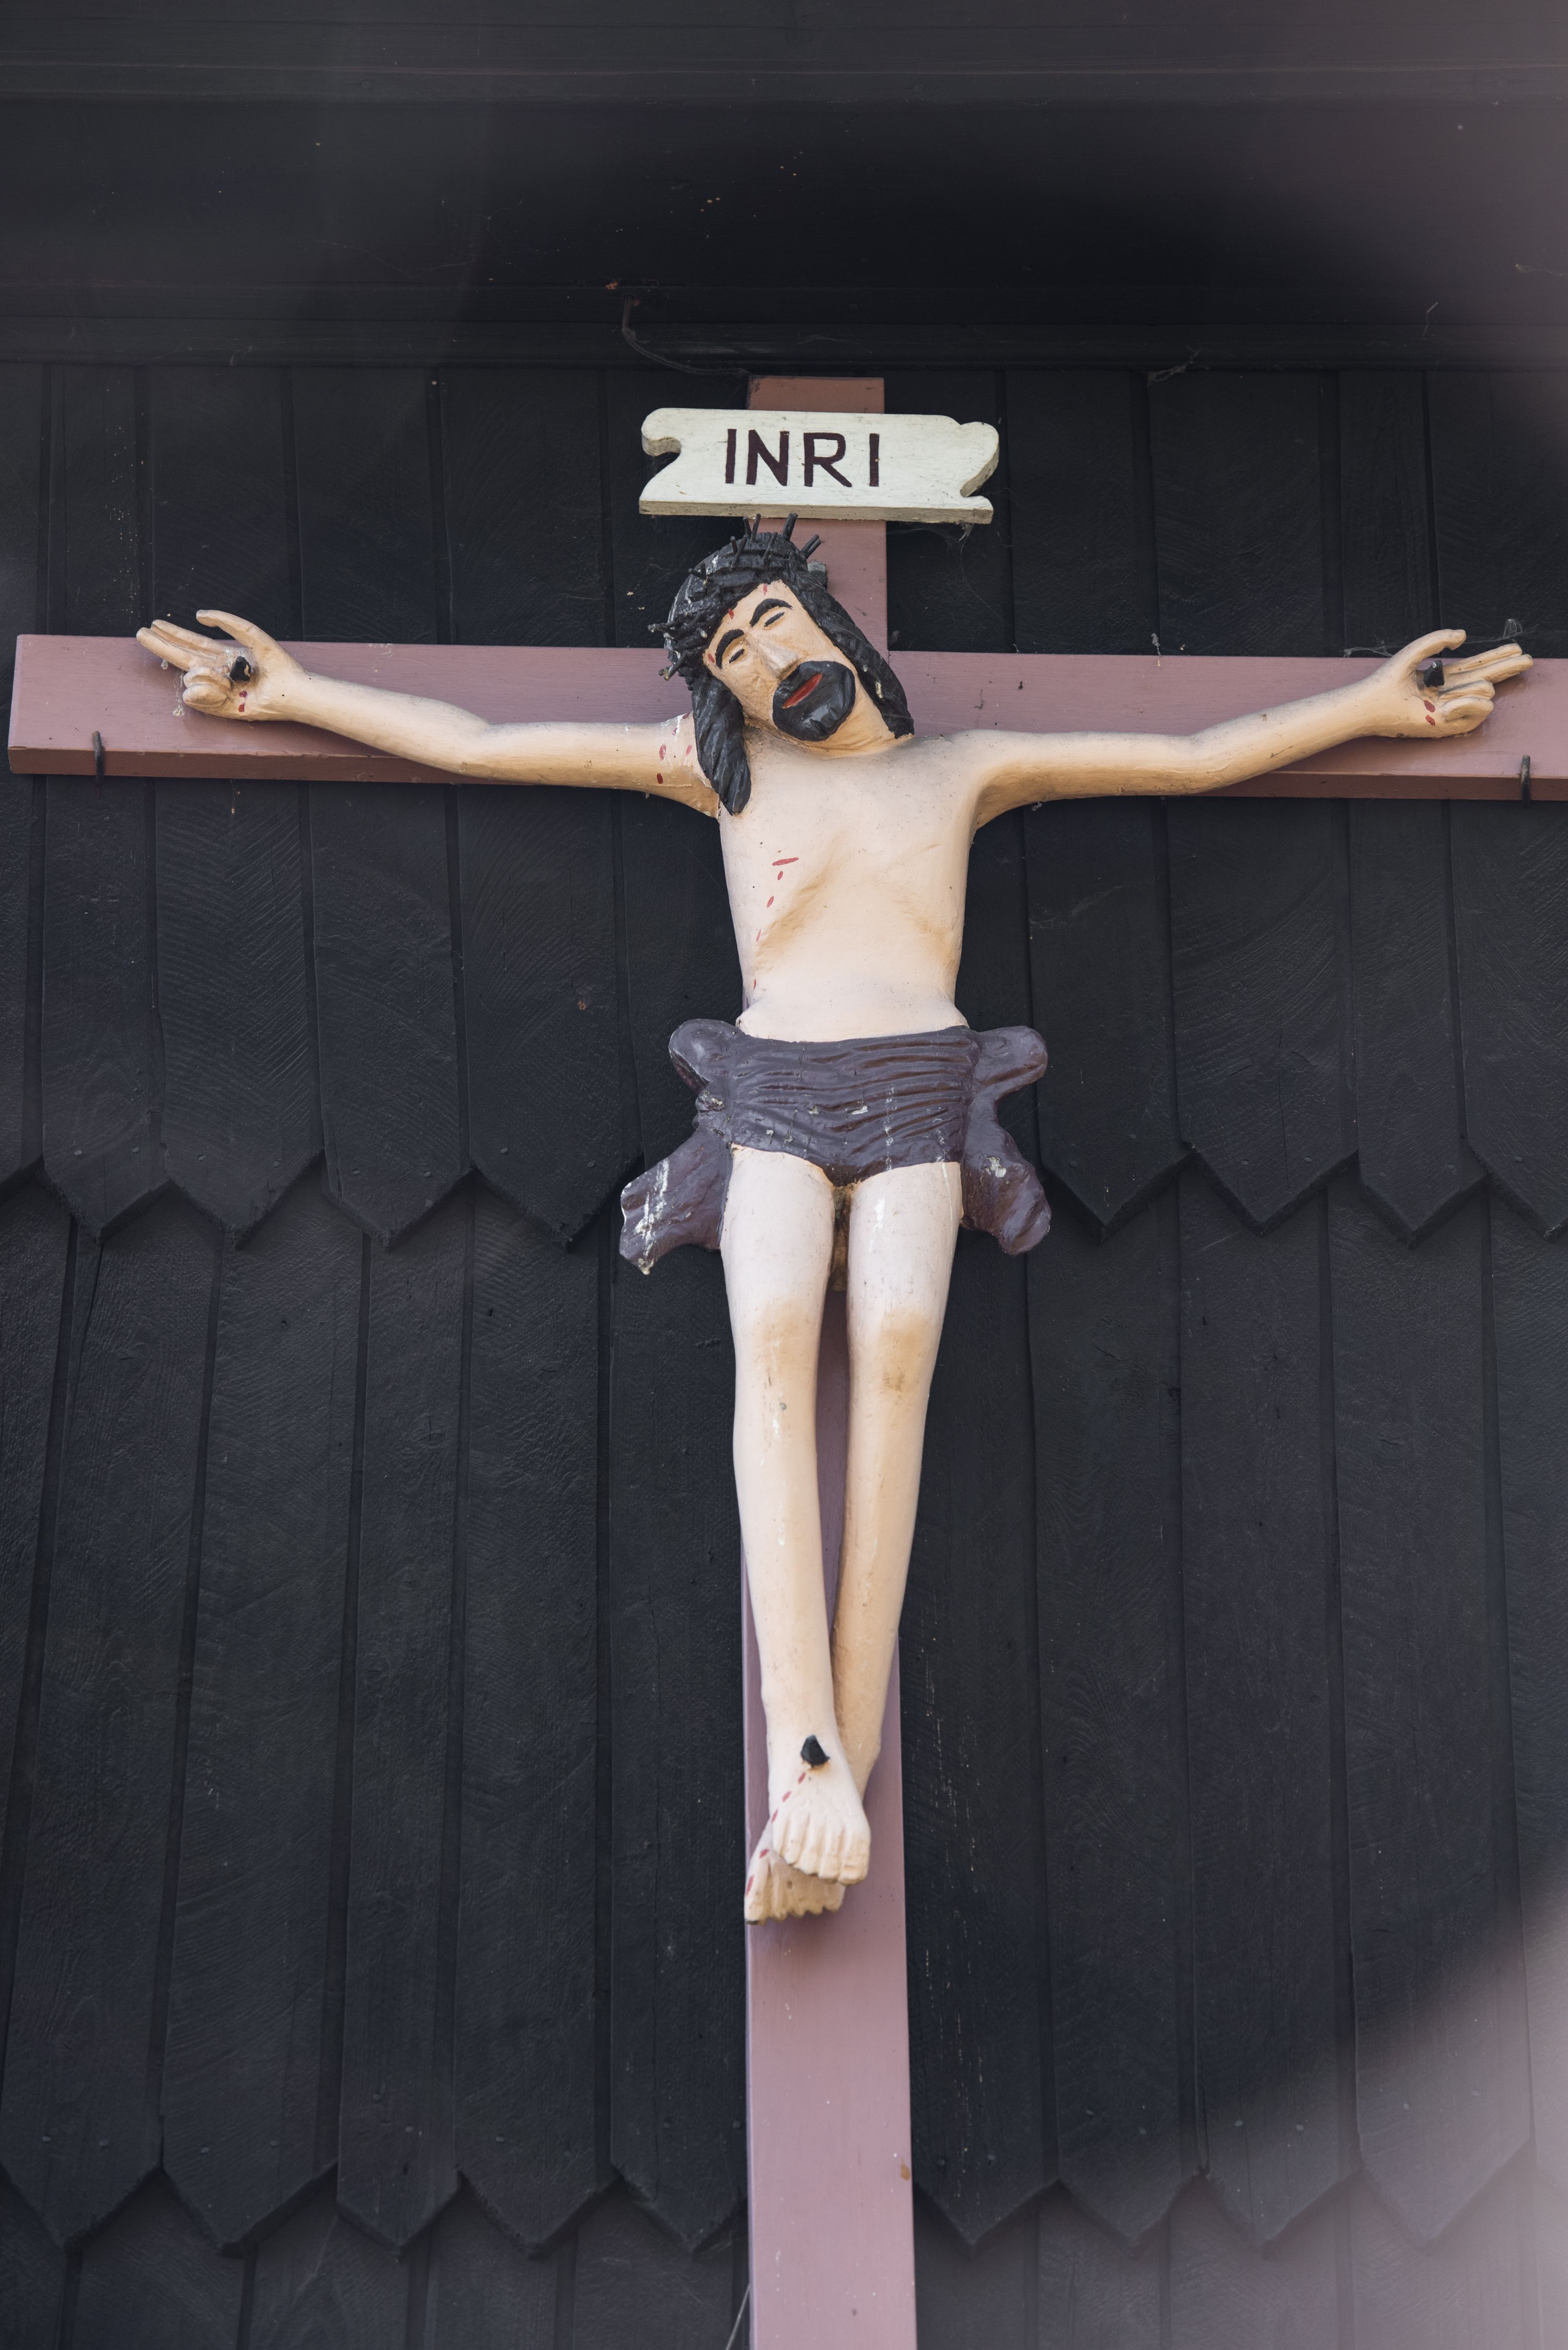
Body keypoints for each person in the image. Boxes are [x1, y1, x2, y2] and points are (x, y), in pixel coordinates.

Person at [137, 521, 1529, 1924]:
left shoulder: (960, 769)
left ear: (824, 619)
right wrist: (297, 694)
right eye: (729, 654)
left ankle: (833, 1776)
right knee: (776, 1341)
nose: (761, 660)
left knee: (901, 1349)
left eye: (769, 623)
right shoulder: (725, 778)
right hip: (773, 1096)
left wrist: (1368, 708)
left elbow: (1191, 757)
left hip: (919, 1090)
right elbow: (484, 744)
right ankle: (801, 1742)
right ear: (719, 690)